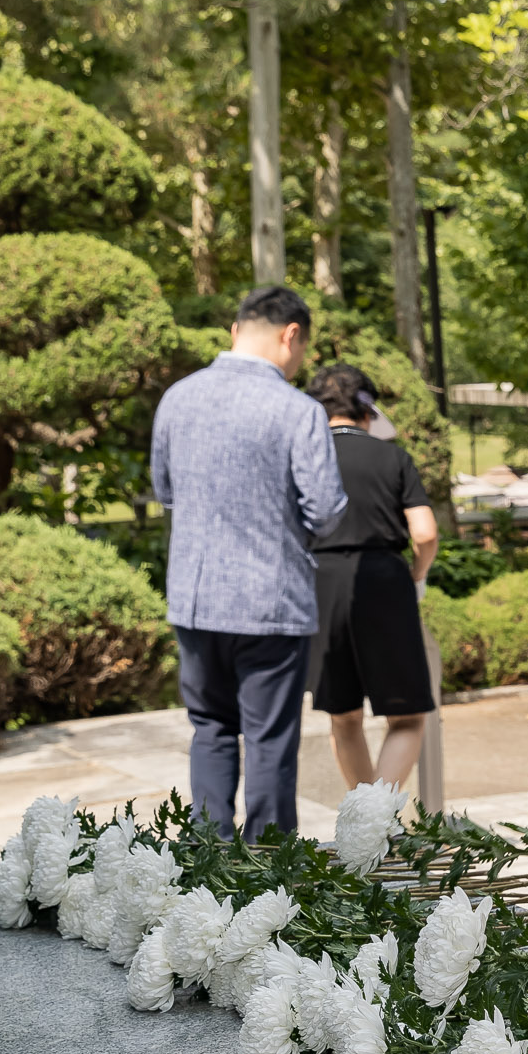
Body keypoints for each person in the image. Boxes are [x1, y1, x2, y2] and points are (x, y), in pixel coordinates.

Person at [150, 285, 345, 840]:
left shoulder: (177, 398)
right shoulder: (297, 410)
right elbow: (327, 512)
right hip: (270, 600)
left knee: (209, 727)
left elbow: (165, 490)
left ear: (236, 331)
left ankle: (209, 857)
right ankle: (268, 869)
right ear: (291, 336)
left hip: (195, 595)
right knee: (269, 740)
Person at [304, 364, 439, 794]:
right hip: (383, 581)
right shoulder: (392, 456)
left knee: (343, 716)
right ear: (368, 411)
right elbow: (425, 532)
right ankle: (377, 817)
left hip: (320, 581)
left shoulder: (305, 456)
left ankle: (361, 819)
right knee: (407, 715)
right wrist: (416, 576)